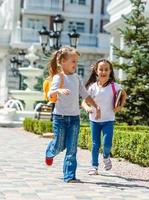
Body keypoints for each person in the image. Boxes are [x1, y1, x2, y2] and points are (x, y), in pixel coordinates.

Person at [45, 46, 101, 183]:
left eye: (76, 61)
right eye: (73, 61)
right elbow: (49, 94)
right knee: (59, 145)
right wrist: (58, 90)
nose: (76, 64)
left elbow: (85, 95)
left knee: (72, 148)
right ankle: (50, 151)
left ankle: (69, 176)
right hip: (60, 118)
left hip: (74, 119)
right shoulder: (59, 77)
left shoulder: (77, 78)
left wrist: (96, 105)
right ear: (63, 61)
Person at [81, 59, 126, 175]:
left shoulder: (114, 86)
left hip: (108, 120)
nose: (103, 71)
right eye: (101, 69)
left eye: (106, 69)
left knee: (107, 144)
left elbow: (124, 94)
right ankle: (94, 166)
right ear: (96, 71)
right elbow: (84, 102)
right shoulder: (92, 87)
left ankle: (106, 156)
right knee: (95, 144)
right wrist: (87, 108)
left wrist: (119, 106)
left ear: (110, 71)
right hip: (94, 120)